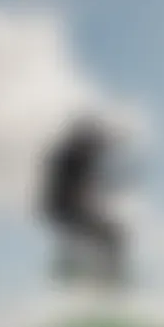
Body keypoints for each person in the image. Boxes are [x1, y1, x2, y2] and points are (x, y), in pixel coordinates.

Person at [37, 115, 126, 286]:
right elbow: (93, 179)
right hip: (67, 207)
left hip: (60, 208)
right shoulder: (77, 156)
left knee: (91, 235)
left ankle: (71, 267)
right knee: (112, 236)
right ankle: (107, 276)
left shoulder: (72, 155)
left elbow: (92, 180)